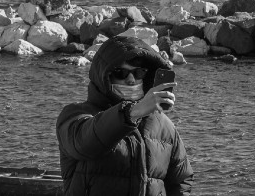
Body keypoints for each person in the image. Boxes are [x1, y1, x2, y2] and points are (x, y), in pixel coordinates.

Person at [56, 35, 193, 196]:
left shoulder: (164, 126)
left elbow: (181, 181)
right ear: (104, 76)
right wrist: (132, 113)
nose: (131, 80)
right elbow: (85, 142)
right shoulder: (75, 115)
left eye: (139, 73)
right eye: (120, 73)